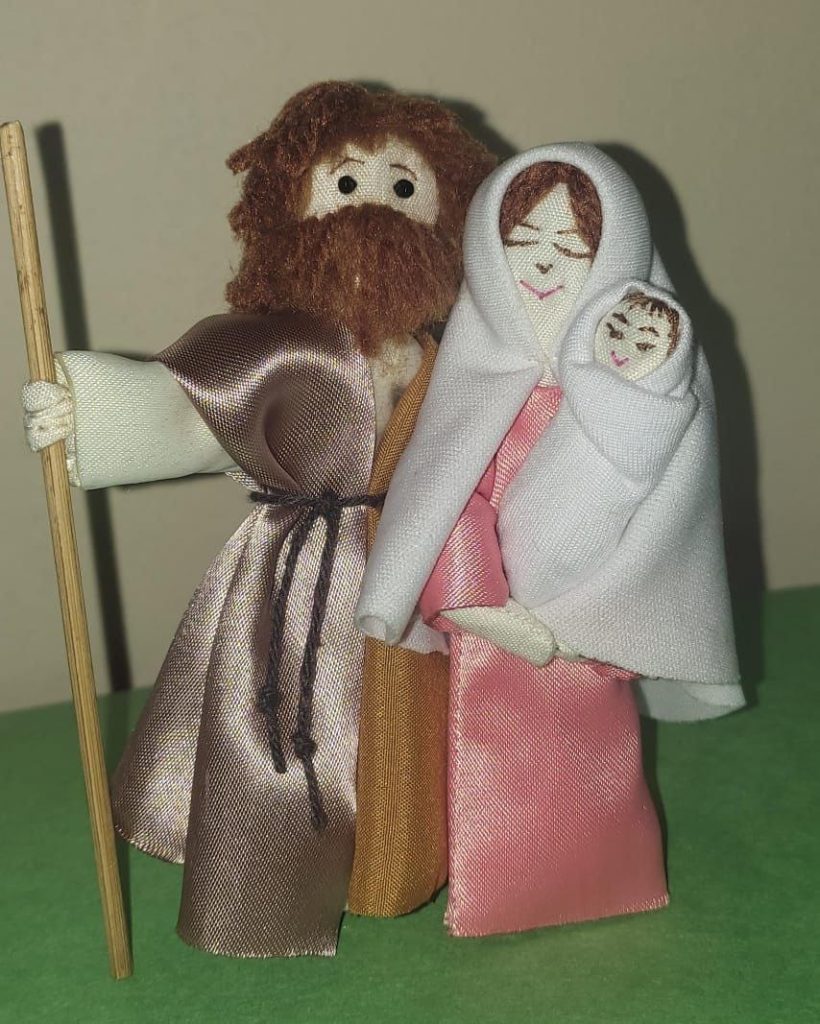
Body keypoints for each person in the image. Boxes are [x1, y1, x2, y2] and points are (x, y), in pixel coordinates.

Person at [21, 81, 496, 956]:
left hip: (415, 560)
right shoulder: (277, 351)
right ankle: (274, 879)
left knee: (413, 728)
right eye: (345, 184)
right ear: (289, 211)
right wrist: (89, 413)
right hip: (292, 564)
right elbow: (191, 417)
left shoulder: (456, 360)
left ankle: (402, 857)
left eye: (403, 186)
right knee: (278, 720)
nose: (373, 209)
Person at [356, 144, 743, 937]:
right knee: (490, 756)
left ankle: (608, 874)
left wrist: (612, 604)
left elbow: (674, 515)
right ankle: (495, 887)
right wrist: (480, 605)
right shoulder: (472, 377)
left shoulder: (656, 383)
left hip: (589, 627)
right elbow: (443, 497)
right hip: (497, 631)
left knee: (597, 758)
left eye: (572, 251)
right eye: (521, 245)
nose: (543, 267)